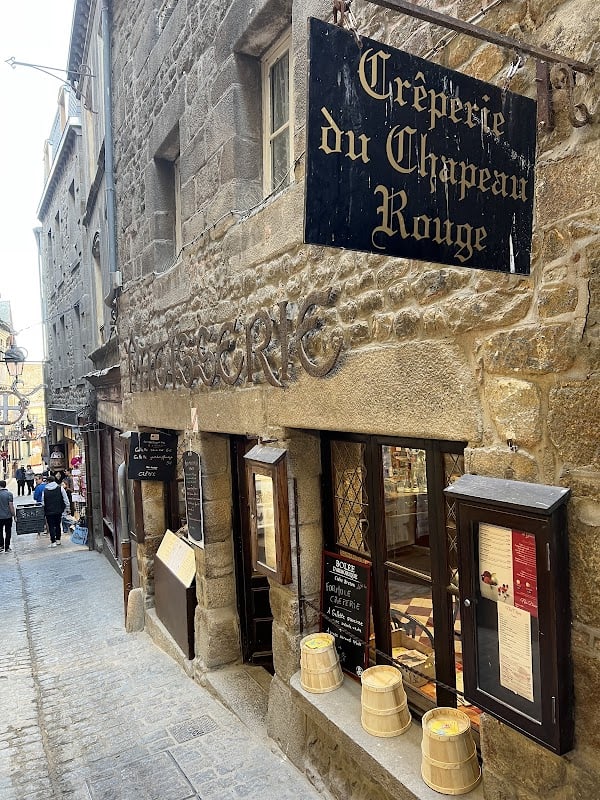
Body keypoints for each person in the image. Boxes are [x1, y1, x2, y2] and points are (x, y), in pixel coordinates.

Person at [42, 474, 70, 548]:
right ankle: (58, 540)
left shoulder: (45, 491)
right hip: (58, 510)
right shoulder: (60, 488)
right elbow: (66, 499)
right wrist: (67, 508)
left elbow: (43, 502)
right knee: (58, 524)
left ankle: (53, 541)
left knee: (51, 526)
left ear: (48, 482)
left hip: (48, 511)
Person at [0, 479, 16, 553]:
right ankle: (7, 547)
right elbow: (11, 506)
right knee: (8, 531)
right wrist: (14, 515)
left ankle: (1, 546)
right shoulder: (9, 494)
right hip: (7, 516)